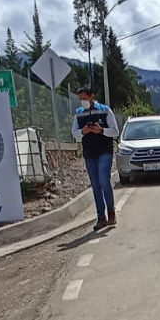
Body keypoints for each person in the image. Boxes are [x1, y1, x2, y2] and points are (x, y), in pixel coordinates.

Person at [71, 85, 119, 232]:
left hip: (104, 151)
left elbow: (115, 131)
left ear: (92, 96)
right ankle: (101, 217)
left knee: (104, 180)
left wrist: (102, 130)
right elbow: (74, 133)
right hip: (89, 153)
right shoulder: (79, 113)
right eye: (80, 99)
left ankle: (111, 212)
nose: (82, 102)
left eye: (84, 98)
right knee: (95, 185)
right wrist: (83, 131)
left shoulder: (105, 110)